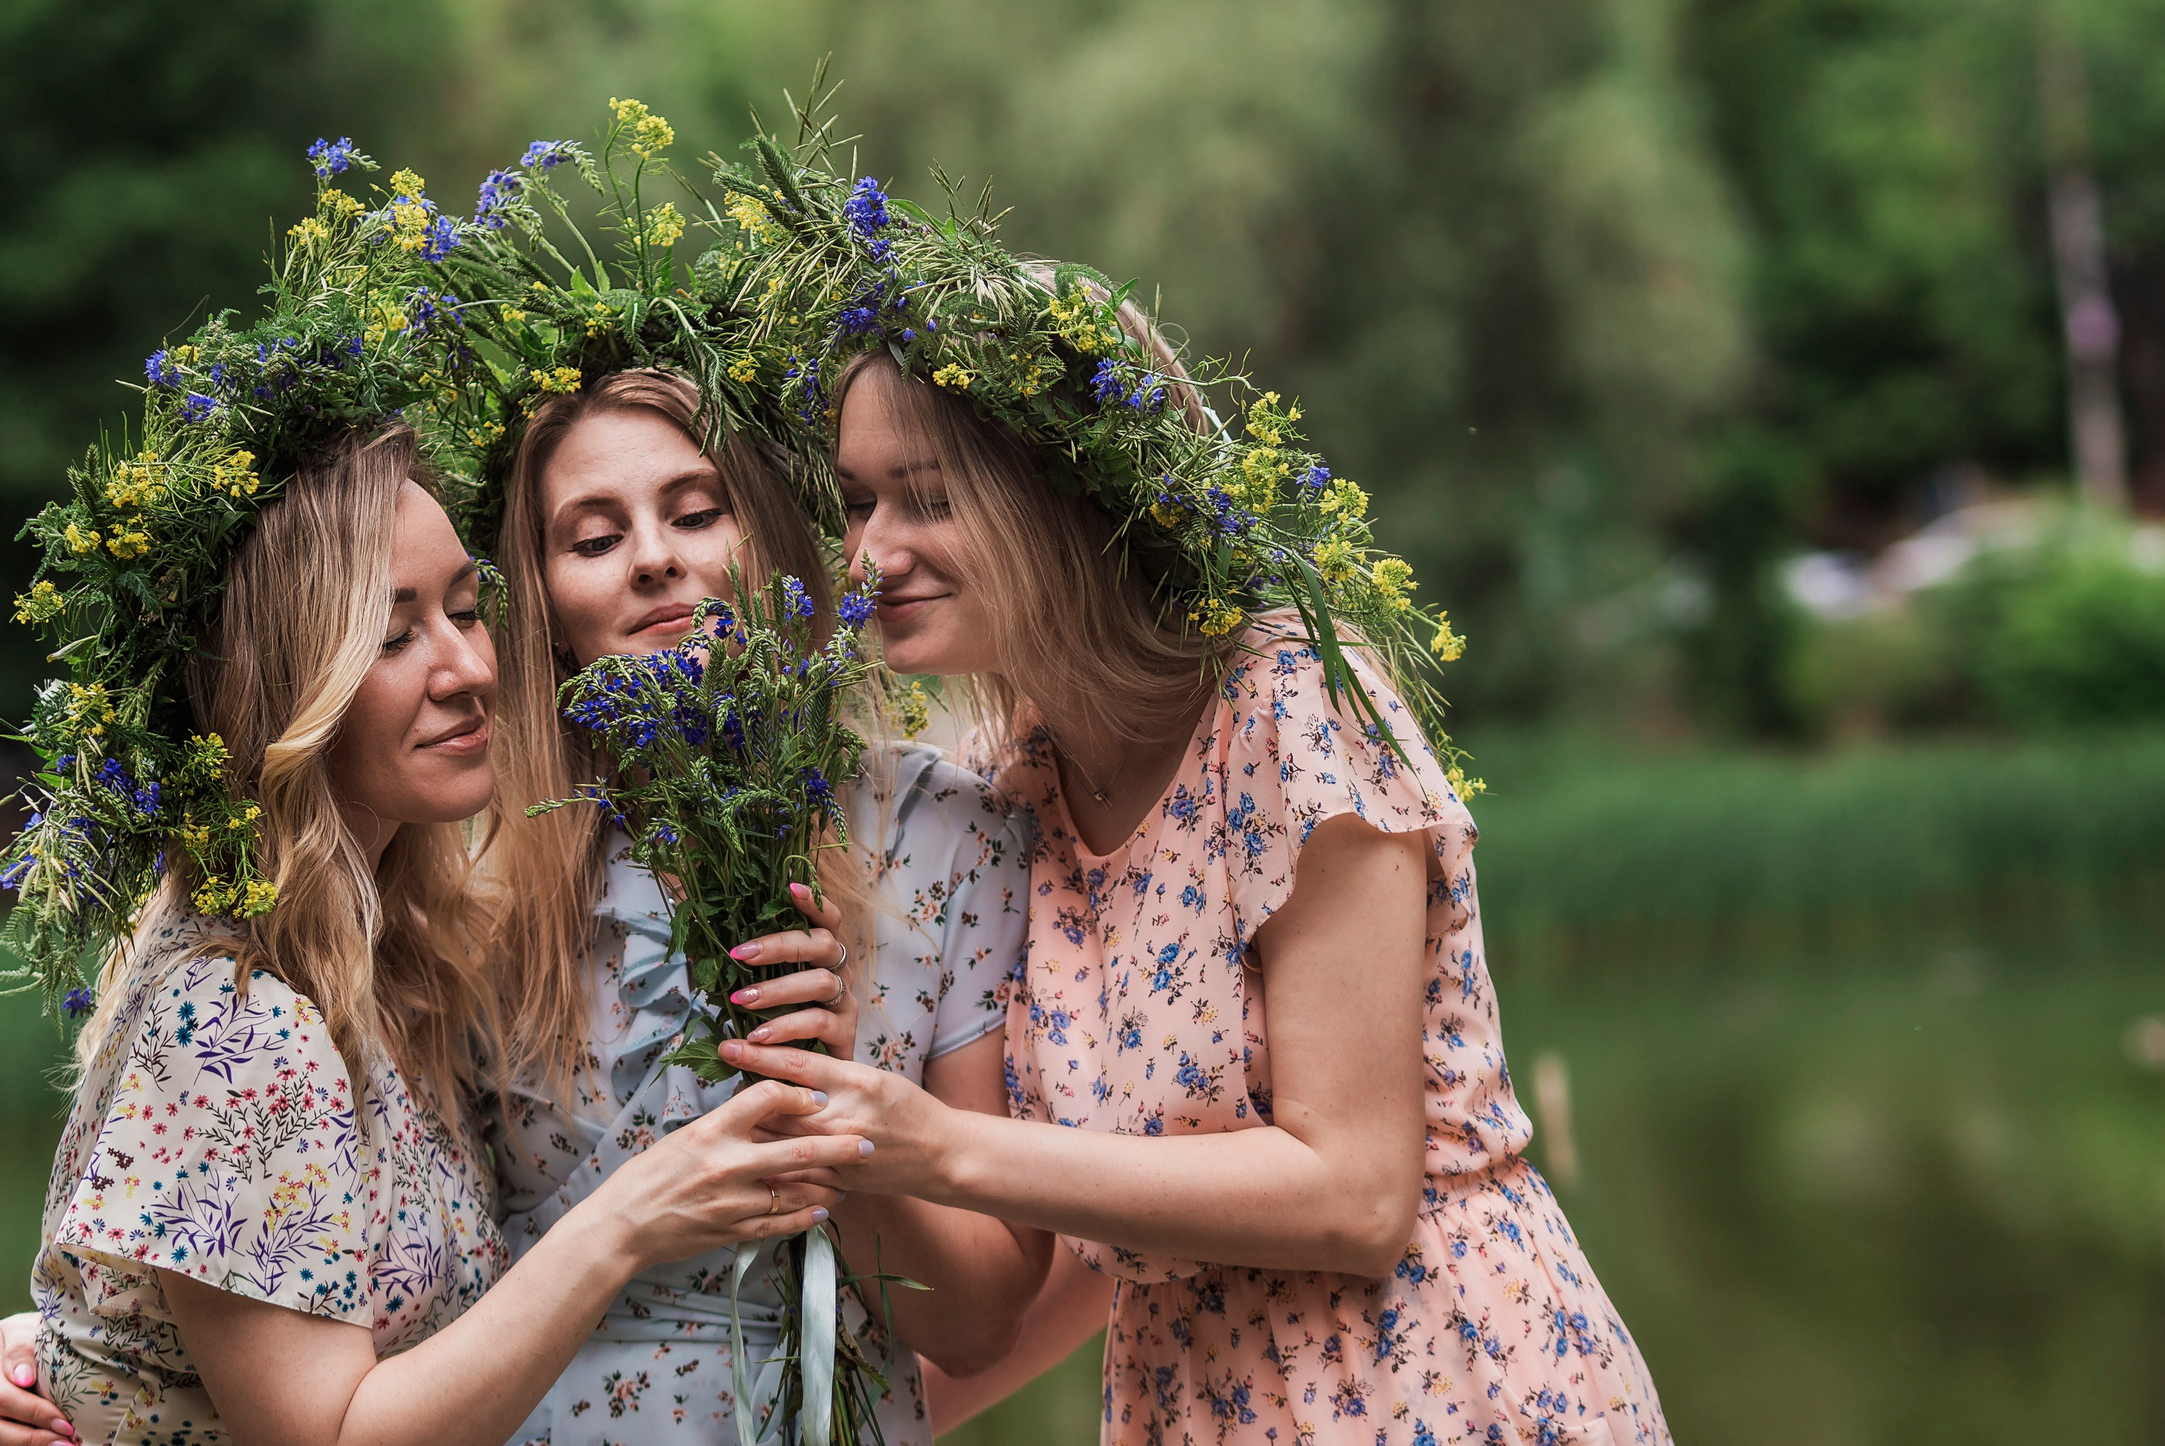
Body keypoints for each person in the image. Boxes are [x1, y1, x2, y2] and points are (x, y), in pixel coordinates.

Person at [0, 384, 1048, 1446]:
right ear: (291, 682)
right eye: (394, 636)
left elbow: (280, 1300)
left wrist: (91, 1353)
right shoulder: (302, 981)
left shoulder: (395, 960)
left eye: (468, 615)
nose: (471, 665)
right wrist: (73, 1358)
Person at [716, 350, 1674, 1446]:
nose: (869, 553)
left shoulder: (1287, 699)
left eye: (930, 498)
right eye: (855, 503)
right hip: (1190, 1401)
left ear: (1075, 492)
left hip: (1426, 1381)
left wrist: (934, 1150)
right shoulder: (1011, 786)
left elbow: (1356, 1196)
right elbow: (1116, 1216)